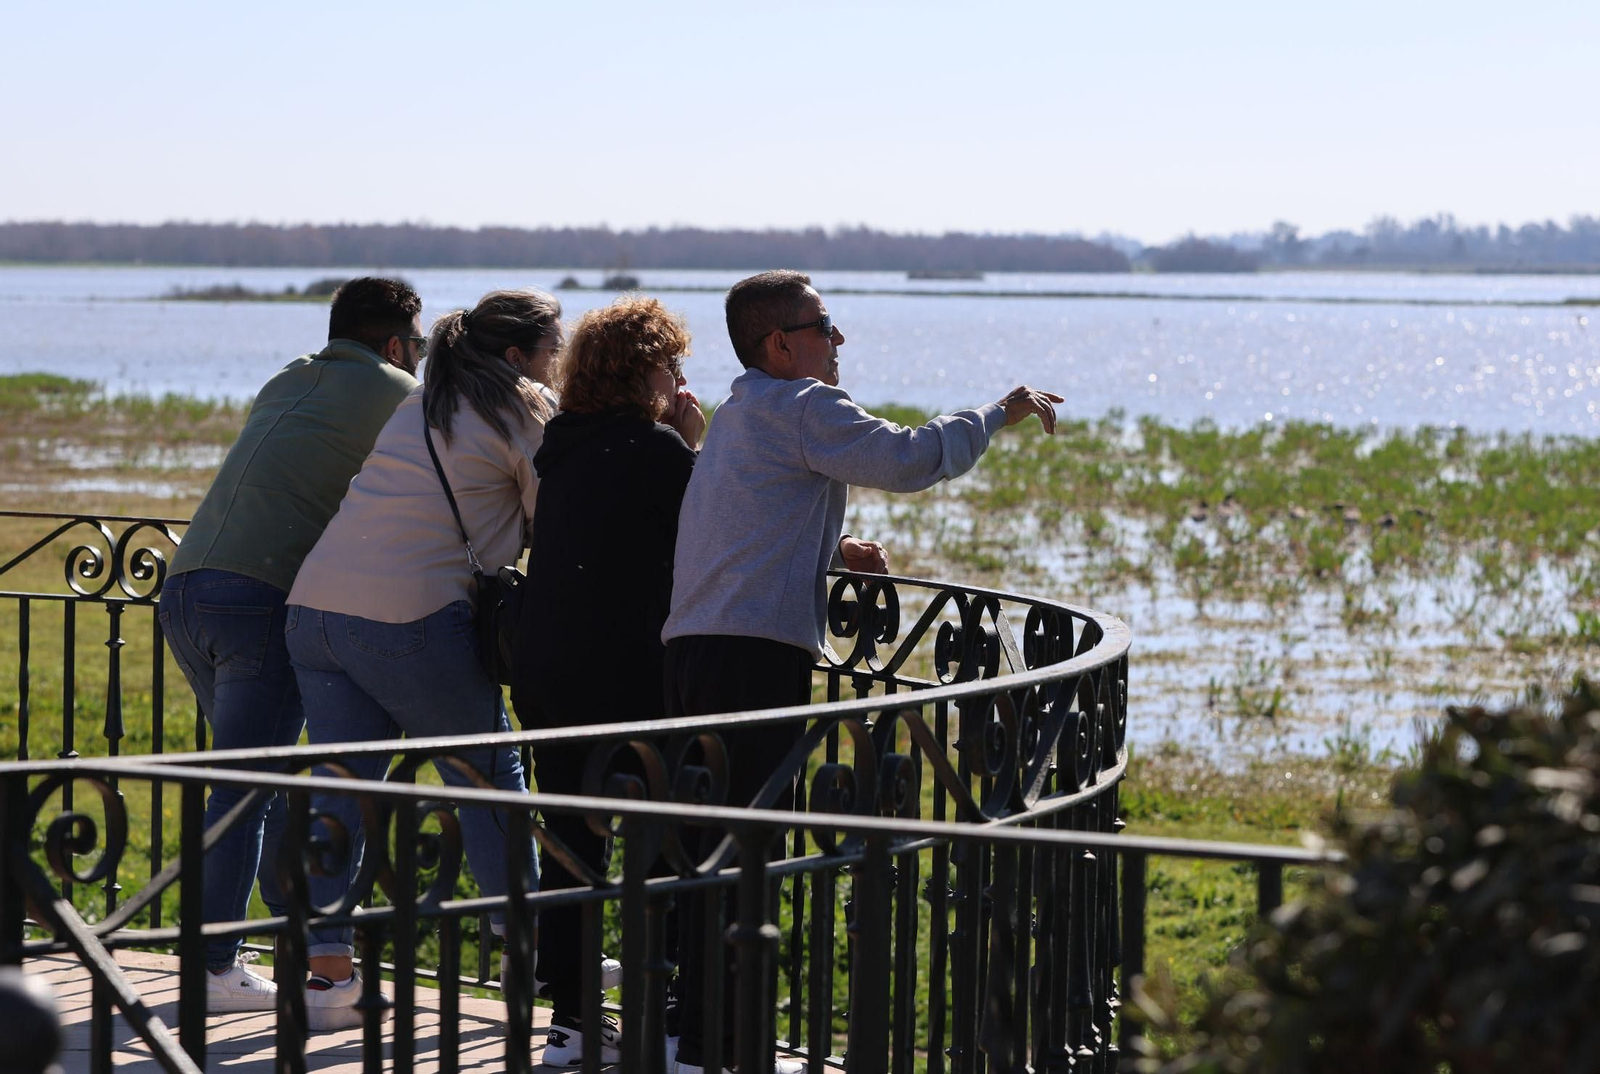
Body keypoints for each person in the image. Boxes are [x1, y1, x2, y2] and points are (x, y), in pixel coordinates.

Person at [661, 270, 1062, 1074]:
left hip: (694, 652)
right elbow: (910, 460)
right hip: (750, 658)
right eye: (824, 323)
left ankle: (690, 1029)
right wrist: (997, 411)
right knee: (744, 851)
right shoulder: (803, 406)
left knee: (704, 848)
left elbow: (750, 516)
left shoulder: (743, 410)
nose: (838, 339)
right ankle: (716, 1048)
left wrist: (830, 550)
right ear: (781, 343)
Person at [283, 288, 556, 1030]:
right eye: (551, 351)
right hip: (407, 616)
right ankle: (526, 953)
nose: (555, 366)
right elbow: (554, 516)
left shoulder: (423, 401)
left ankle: (328, 975)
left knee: (343, 789)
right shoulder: (523, 408)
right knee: (489, 774)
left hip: (314, 611)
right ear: (518, 356)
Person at [156, 276, 422, 1012]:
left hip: (185, 588)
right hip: (259, 596)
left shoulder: (289, 375)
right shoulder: (400, 393)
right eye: (419, 346)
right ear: (398, 342)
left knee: (253, 782)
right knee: (245, 790)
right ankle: (214, 967)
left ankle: (281, 957)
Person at [510, 295, 705, 1066]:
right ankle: (655, 1012)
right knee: (657, 842)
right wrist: (689, 443)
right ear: (639, 373)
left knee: (571, 844)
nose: (681, 376)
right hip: (631, 671)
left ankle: (572, 1020)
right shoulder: (654, 453)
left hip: (552, 671)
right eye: (672, 364)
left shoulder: (563, 445)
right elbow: (704, 540)